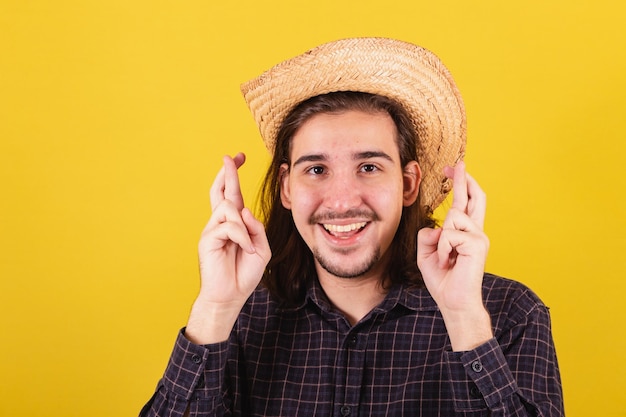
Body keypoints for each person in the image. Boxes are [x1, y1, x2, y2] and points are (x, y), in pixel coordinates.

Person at [139, 38, 564, 416]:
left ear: (409, 184)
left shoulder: (508, 314)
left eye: (368, 166)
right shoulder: (238, 318)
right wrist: (214, 310)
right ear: (287, 188)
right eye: (317, 169)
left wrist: (464, 319)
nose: (342, 201)